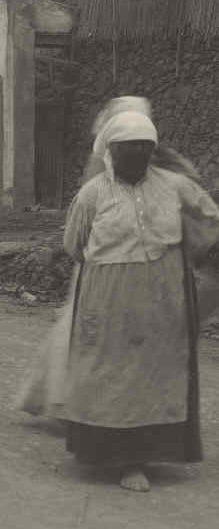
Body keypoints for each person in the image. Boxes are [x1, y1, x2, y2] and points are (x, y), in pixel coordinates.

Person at [59, 107, 219, 491]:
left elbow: (209, 214)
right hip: (107, 292)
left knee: (156, 370)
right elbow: (74, 244)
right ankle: (114, 456)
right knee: (110, 369)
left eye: (144, 148)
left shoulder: (174, 186)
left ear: (153, 151)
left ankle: (142, 456)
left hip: (163, 291)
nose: (136, 155)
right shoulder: (93, 193)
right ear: (112, 150)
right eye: (128, 147)